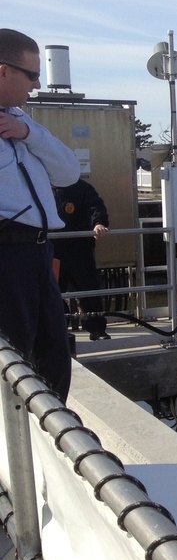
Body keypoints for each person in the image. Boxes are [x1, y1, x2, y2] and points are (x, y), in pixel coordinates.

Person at [0, 28, 80, 401]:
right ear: (4, 71)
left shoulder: (22, 122)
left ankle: (54, 437)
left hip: (36, 254)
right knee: (14, 359)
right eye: (31, 75)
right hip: (6, 254)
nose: (35, 85)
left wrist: (27, 131)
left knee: (53, 355)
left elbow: (68, 172)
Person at [52, 178, 111, 340]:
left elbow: (95, 206)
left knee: (88, 288)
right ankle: (58, 329)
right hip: (52, 250)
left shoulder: (81, 188)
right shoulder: (40, 185)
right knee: (53, 291)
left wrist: (99, 223)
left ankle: (96, 328)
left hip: (79, 248)